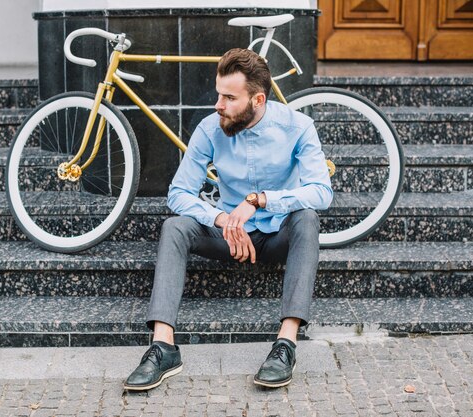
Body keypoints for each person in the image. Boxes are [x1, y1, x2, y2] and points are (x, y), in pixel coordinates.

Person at [123, 48, 333, 391]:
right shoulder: (210, 129)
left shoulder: (298, 127)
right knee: (174, 226)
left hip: (277, 234)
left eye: (229, 97)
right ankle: (162, 347)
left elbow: (321, 192)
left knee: (307, 219)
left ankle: (286, 345)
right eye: (219, 93)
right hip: (228, 237)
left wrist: (260, 200)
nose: (218, 104)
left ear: (258, 100)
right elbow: (178, 193)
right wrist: (222, 219)